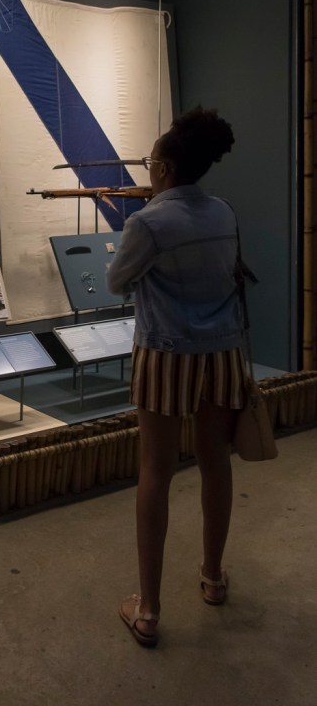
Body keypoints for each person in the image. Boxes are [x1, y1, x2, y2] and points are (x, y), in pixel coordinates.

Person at [106, 106, 246, 648]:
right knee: (215, 463)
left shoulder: (147, 222)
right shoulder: (225, 211)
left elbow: (118, 282)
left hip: (165, 354)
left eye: (149, 163)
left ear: (163, 168)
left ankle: (149, 610)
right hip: (223, 351)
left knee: (154, 472)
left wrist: (139, 222)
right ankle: (212, 577)